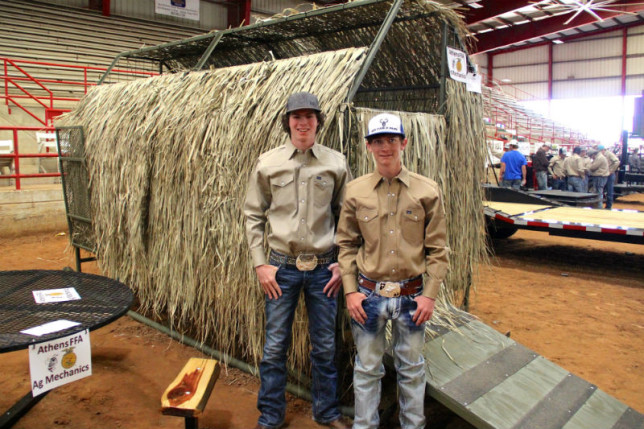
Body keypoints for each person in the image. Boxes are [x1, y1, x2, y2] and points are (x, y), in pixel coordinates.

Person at [244, 92, 351, 429]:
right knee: (275, 346)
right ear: (287, 122)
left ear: (319, 121)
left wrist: (341, 263)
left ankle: (327, 411)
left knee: (324, 346)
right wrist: (261, 264)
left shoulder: (336, 163)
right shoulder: (268, 163)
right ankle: (271, 416)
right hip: (281, 269)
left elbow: (346, 216)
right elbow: (252, 215)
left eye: (310, 116)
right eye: (296, 116)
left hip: (324, 270)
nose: (303, 122)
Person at [336, 113, 449, 429]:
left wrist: (429, 296)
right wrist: (350, 292)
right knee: (367, 368)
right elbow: (345, 245)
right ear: (369, 147)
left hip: (413, 297)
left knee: (411, 368)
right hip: (368, 296)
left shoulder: (427, 191)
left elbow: (438, 249)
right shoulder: (355, 192)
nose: (386, 147)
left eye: (392, 140)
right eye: (378, 141)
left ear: (404, 142)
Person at [599, 145, 620, 209]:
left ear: (602, 150)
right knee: (603, 190)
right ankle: (602, 205)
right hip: (604, 174)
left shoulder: (609, 154)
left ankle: (609, 206)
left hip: (610, 175)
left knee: (609, 190)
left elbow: (617, 161)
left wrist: (611, 170)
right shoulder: (603, 155)